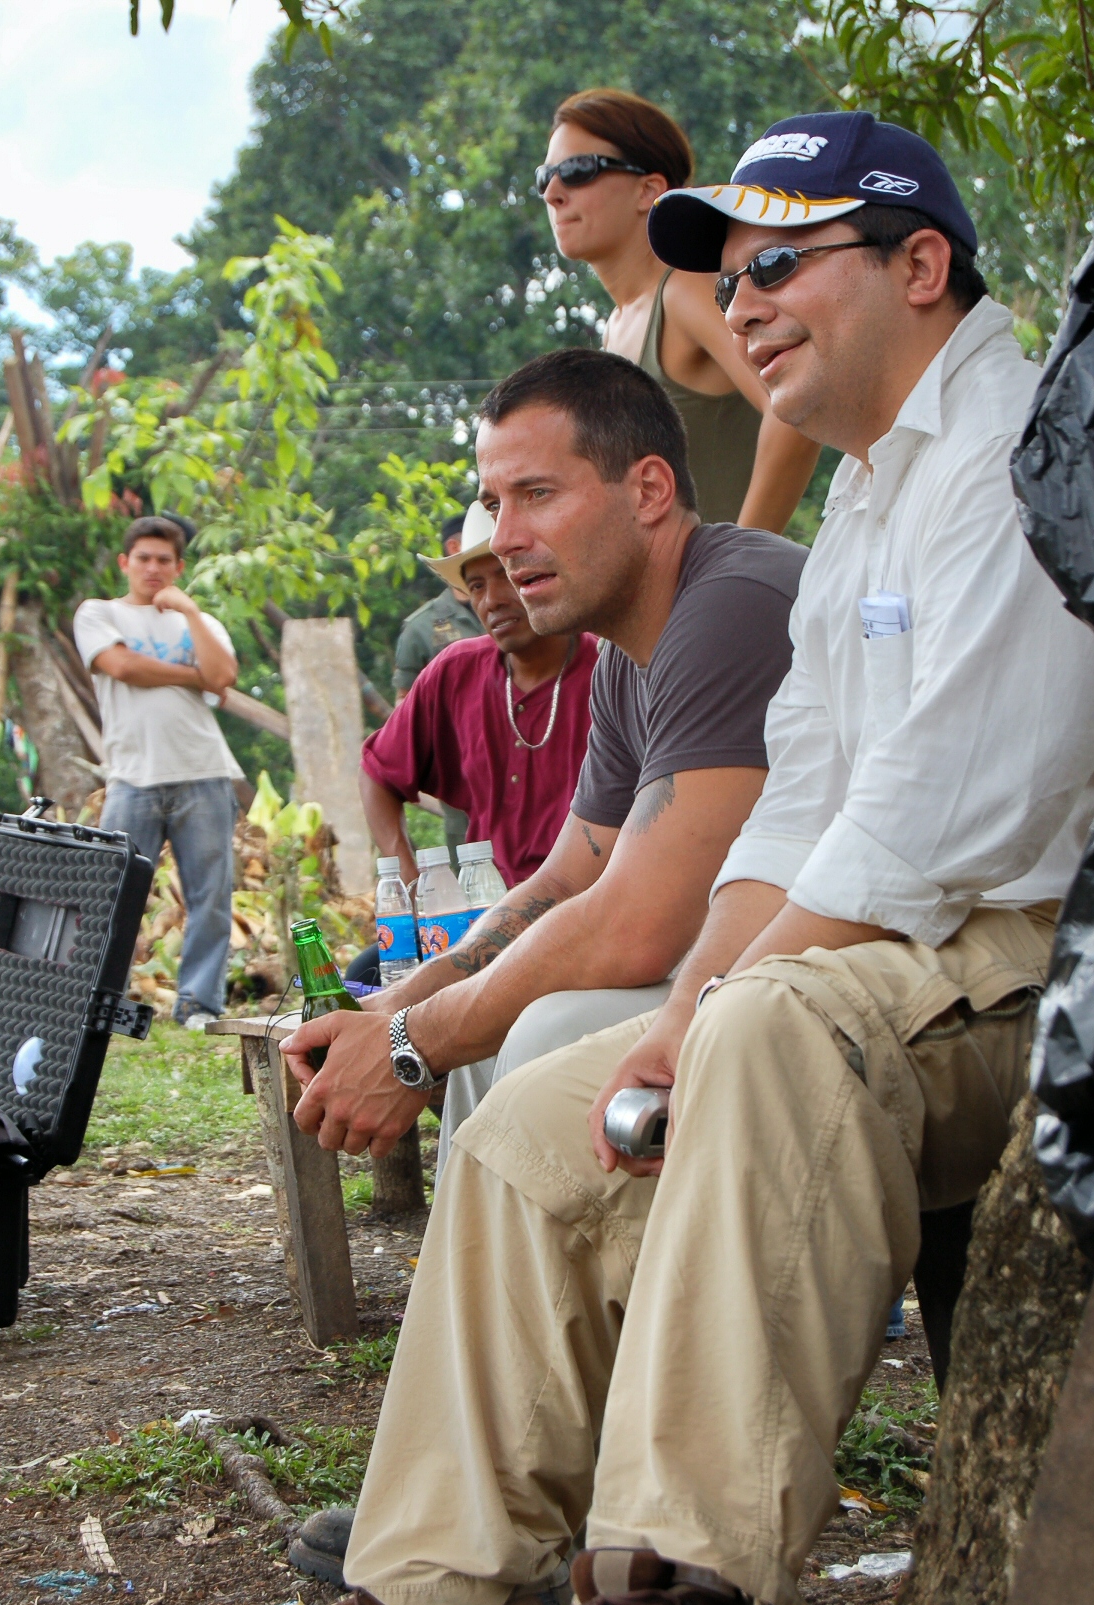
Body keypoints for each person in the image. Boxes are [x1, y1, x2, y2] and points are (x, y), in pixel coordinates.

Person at [206, 115, 1094, 1605]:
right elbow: (793, 816)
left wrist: (711, 1014)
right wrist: (661, 1020)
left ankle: (681, 1601)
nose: (736, 307)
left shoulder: (1007, 447)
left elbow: (933, 821)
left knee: (756, 1036)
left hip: (1023, 961)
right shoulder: (868, 488)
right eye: (722, 274)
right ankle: (456, 1583)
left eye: (777, 266)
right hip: (884, 945)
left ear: (919, 268)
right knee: (548, 1116)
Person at [281, 349, 804, 1182]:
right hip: (739, 970)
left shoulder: (732, 605)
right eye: (493, 503)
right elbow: (562, 884)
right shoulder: (625, 654)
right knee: (502, 1030)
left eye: (537, 494)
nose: (503, 538)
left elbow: (635, 925)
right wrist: (392, 1007)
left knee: (537, 1031)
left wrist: (410, 1047)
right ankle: (499, 1310)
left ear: (650, 491)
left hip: (861, 968)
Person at [540, 87, 821, 533]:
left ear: (649, 190)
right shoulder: (616, 326)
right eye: (545, 176)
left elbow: (794, 414)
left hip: (721, 595)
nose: (553, 192)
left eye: (577, 170)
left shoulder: (685, 291)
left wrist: (737, 567)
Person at [361, 499, 598, 891]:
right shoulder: (455, 670)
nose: (492, 600)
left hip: (586, 913)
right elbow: (377, 772)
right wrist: (411, 880)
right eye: (475, 586)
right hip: (483, 916)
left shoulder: (611, 672)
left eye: (505, 576)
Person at [73, 516, 241, 1030]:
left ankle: (199, 1004)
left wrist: (188, 610)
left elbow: (223, 677)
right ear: (125, 562)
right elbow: (122, 667)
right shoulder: (98, 613)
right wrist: (192, 677)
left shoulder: (202, 623)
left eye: (164, 560)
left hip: (204, 771)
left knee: (210, 897)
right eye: (143, 558)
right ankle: (100, 1003)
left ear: (178, 566)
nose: (153, 568)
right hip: (131, 776)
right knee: (114, 895)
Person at [393, 510, 484, 862]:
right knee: (472, 867)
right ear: (455, 546)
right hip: (461, 771)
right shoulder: (422, 627)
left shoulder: (524, 605)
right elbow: (404, 707)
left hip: (532, 752)